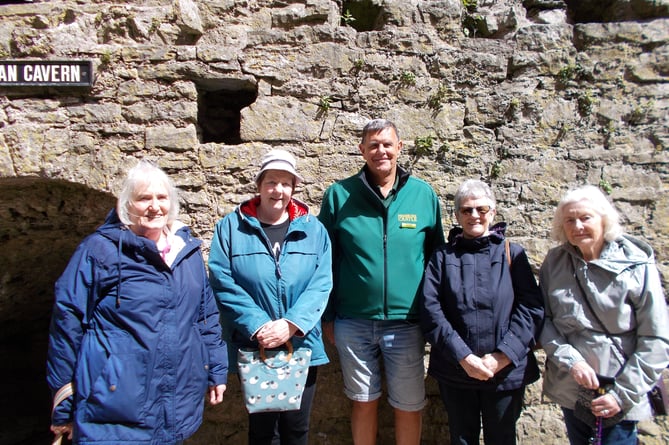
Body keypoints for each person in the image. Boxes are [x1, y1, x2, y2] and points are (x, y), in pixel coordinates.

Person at [46, 160, 228, 445]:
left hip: (176, 402)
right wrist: (63, 399)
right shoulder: (100, 251)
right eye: (144, 198)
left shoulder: (186, 252)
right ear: (127, 204)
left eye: (161, 197)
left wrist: (216, 370)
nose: (154, 206)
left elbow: (205, 317)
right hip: (114, 407)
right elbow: (67, 325)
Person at [318, 118, 444, 445]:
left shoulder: (423, 196)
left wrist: (433, 318)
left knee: (409, 405)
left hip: (407, 323)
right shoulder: (338, 196)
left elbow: (437, 262)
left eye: (387, 144)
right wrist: (328, 316)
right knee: (362, 401)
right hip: (353, 321)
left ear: (399, 147)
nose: (381, 151)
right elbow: (324, 260)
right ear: (362, 150)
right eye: (373, 145)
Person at [208, 149, 332, 445]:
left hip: (301, 345)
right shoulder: (230, 228)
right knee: (263, 432)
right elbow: (222, 279)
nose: (278, 190)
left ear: (294, 188)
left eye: (286, 183)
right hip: (256, 344)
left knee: (296, 430)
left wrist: (291, 323)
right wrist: (259, 324)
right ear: (259, 185)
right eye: (271, 182)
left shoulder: (314, 230)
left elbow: (322, 282)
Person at [539, 184, 669, 445]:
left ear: (604, 219)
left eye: (585, 218)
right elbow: (545, 320)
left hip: (618, 388)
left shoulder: (636, 266)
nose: (578, 226)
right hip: (572, 387)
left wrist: (622, 395)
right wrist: (572, 361)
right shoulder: (555, 262)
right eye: (570, 220)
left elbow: (656, 339)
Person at [419, 179, 544, 445]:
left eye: (481, 209)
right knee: (462, 439)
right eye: (466, 210)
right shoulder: (442, 258)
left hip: (505, 374)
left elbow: (530, 309)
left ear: (493, 212)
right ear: (457, 216)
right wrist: (463, 357)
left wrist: (502, 356)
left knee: (502, 439)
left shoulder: (513, 254)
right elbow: (431, 310)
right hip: (457, 372)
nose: (474, 215)